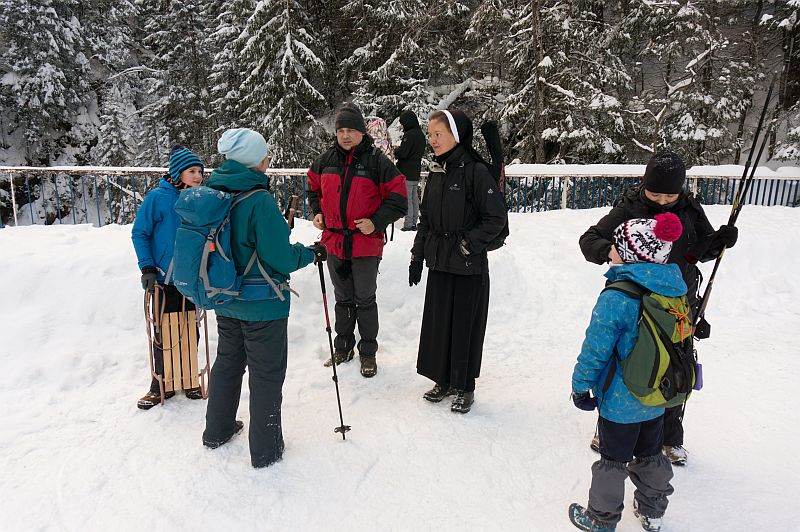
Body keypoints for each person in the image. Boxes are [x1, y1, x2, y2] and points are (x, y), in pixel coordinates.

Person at [578, 150, 738, 465]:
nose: (663, 201)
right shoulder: (630, 207)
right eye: (656, 194)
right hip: (634, 302)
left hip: (678, 301)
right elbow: (589, 239)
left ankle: (669, 437)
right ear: (644, 186)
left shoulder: (690, 208)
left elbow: (698, 251)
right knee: (625, 363)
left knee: (677, 364)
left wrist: (719, 241)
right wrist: (611, 252)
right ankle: (609, 427)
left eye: (670, 195)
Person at [201, 128, 321, 468]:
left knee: (227, 364)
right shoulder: (258, 200)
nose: (269, 160)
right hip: (263, 303)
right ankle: (266, 450)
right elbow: (280, 257)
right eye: (265, 155)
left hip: (224, 297)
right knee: (266, 375)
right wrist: (309, 253)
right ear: (253, 161)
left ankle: (217, 431)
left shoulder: (214, 192)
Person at [569, 213, 685, 532]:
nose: (613, 250)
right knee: (651, 454)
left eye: (618, 246)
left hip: (621, 401)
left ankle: (601, 518)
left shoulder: (617, 296)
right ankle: (652, 511)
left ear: (631, 253)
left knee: (613, 460)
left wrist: (581, 386)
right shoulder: (674, 290)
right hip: (657, 394)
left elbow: (596, 349)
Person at [408, 109, 507, 413]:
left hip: (467, 266)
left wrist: (467, 245)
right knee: (440, 325)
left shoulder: (475, 172)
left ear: (456, 136)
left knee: (464, 327)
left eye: (439, 134)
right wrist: (417, 254)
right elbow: (426, 219)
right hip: (439, 263)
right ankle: (443, 379)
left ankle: (464, 385)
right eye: (430, 134)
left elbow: (496, 219)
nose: (432, 140)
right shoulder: (437, 172)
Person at [307, 104, 407, 378]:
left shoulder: (378, 162)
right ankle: (343, 347)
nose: (346, 135)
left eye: (351, 130)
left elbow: (399, 201)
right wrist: (317, 211)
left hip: (365, 243)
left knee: (365, 299)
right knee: (342, 299)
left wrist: (375, 221)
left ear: (362, 132)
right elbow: (312, 188)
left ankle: (368, 353)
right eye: (341, 130)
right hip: (335, 242)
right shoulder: (325, 160)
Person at [132, 145, 204, 410]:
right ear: (177, 172)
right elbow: (140, 233)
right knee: (163, 331)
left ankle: (188, 377)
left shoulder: (198, 198)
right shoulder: (157, 198)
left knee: (189, 327)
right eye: (192, 171)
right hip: (162, 278)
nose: (198, 176)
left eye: (200, 171)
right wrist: (147, 267)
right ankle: (160, 384)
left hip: (190, 277)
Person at [395, 110, 425, 231]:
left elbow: (404, 153)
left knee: (408, 198)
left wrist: (396, 150)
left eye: (402, 123)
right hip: (416, 170)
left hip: (406, 171)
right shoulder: (421, 135)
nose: (401, 126)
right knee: (414, 198)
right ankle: (414, 222)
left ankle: (408, 224)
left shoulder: (410, 135)